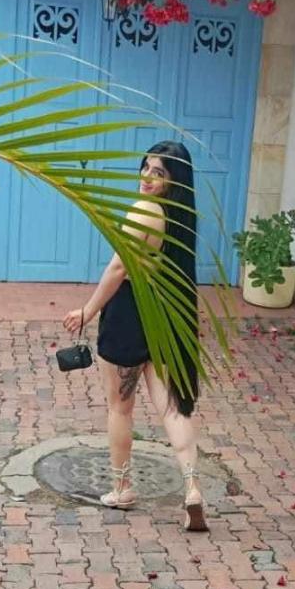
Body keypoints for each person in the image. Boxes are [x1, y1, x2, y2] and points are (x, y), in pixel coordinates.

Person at [63, 140, 206, 532]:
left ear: (174, 180)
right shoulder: (181, 216)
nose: (147, 177)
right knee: (172, 408)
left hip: (128, 317)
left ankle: (122, 488)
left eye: (159, 173)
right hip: (162, 318)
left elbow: (118, 268)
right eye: (145, 167)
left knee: (120, 408)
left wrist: (88, 310)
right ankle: (192, 487)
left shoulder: (145, 210)